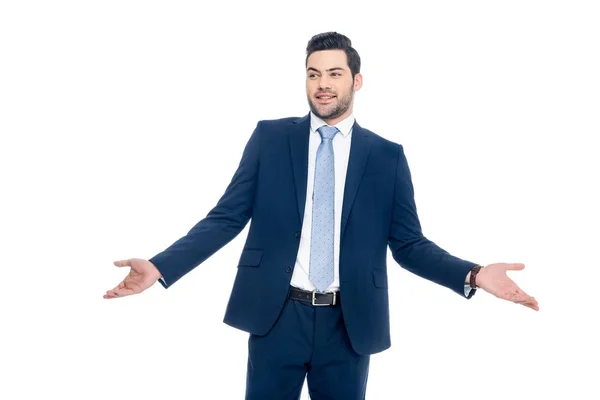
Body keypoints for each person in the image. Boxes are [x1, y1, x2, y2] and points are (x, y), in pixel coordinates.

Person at [104, 31, 539, 399]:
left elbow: (408, 244)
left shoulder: (387, 156)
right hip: (276, 316)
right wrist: (160, 266)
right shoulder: (270, 138)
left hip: (350, 325)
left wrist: (474, 274)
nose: (322, 84)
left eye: (334, 73)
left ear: (357, 80)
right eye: (313, 74)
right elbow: (225, 217)